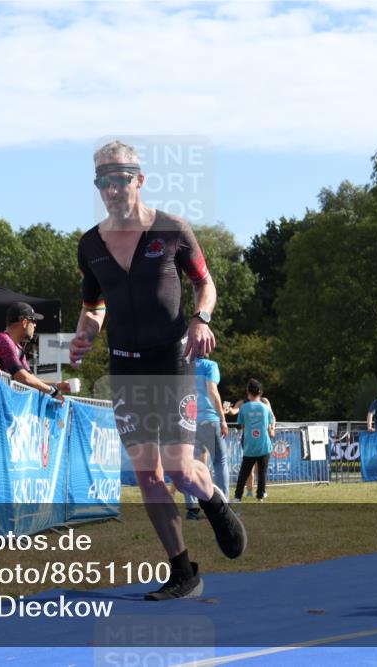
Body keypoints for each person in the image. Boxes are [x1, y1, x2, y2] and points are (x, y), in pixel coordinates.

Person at [69, 140, 245, 601]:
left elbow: (205, 283)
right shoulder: (90, 244)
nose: (111, 188)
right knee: (147, 475)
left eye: (120, 178)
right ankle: (183, 571)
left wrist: (200, 318)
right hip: (125, 368)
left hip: (171, 363)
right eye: (102, 180)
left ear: (139, 179)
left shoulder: (172, 230)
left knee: (181, 471)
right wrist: (85, 334)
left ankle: (213, 500)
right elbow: (93, 307)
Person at [0, 302, 72, 399]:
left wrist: (59, 385)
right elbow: (23, 378)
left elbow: (31, 379)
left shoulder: (18, 349)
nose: (35, 325)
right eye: (34, 321)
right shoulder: (3, 340)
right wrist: (53, 392)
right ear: (24, 322)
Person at [183, 354, 230, 521]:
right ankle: (224, 507)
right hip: (209, 420)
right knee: (220, 461)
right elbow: (212, 390)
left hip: (188, 421)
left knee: (190, 465)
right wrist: (223, 418)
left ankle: (192, 509)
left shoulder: (183, 365)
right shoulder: (210, 365)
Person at [225, 392, 276, 497]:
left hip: (262, 438)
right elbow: (234, 411)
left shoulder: (264, 401)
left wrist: (272, 428)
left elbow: (272, 417)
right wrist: (228, 409)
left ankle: (261, 491)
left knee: (260, 468)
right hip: (248, 439)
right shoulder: (242, 403)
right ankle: (249, 491)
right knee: (249, 468)